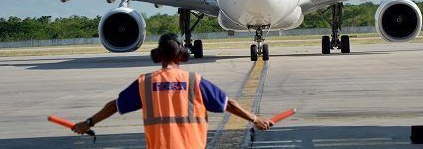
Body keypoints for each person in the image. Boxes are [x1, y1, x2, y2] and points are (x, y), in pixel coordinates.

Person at [73, 33, 273, 148]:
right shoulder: (195, 81)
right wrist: (255, 119)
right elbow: (228, 104)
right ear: (183, 56)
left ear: (157, 55)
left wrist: (88, 122)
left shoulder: (144, 83)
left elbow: (114, 106)